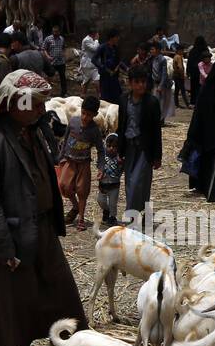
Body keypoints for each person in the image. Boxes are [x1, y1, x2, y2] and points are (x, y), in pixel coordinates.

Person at [0, 70, 86, 346]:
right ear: (12, 102)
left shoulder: (32, 132)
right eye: (33, 103)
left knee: (58, 288)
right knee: (13, 299)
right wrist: (4, 246)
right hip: (11, 232)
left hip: (41, 226)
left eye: (41, 103)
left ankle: (71, 343)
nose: (39, 109)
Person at [180, 55, 215, 202]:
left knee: (206, 161)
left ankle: (202, 187)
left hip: (203, 133)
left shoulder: (206, 89)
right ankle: (212, 193)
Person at [117, 65, 163, 226]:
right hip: (129, 147)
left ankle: (130, 218)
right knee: (131, 183)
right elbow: (121, 126)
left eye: (143, 82)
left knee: (137, 182)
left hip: (145, 148)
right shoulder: (123, 100)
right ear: (130, 83)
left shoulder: (152, 102)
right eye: (137, 82)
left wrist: (157, 156)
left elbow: (156, 130)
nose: (141, 85)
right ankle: (143, 216)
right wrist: (119, 150)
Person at [56, 95, 105, 231]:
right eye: (83, 113)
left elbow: (101, 150)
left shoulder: (94, 130)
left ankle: (81, 219)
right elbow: (65, 140)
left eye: (89, 115)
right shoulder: (73, 122)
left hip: (84, 163)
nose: (85, 117)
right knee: (64, 186)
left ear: (95, 115)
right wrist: (61, 157)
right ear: (81, 110)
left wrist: (101, 167)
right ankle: (75, 206)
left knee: (82, 190)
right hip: (69, 160)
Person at [96, 134, 122, 225]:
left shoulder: (119, 159)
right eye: (109, 146)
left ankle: (112, 217)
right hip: (103, 184)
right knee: (100, 200)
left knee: (113, 203)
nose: (111, 148)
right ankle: (106, 210)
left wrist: (121, 162)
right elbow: (98, 165)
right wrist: (100, 171)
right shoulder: (102, 158)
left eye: (114, 147)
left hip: (114, 185)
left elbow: (122, 169)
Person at [41, 24, 67, 97]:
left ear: (59, 32)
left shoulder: (62, 39)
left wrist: (64, 54)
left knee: (63, 78)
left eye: (56, 32)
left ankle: (64, 93)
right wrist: (48, 56)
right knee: (49, 77)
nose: (55, 33)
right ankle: (48, 93)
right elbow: (44, 49)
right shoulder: (48, 39)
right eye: (54, 32)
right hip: (52, 62)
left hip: (61, 62)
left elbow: (64, 47)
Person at [98, 30, 124, 104]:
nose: (118, 39)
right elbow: (94, 59)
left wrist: (126, 68)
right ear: (112, 38)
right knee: (105, 99)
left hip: (114, 76)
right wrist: (103, 67)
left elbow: (119, 61)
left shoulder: (116, 48)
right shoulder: (102, 47)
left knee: (117, 97)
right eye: (117, 37)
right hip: (105, 77)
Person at [77, 29, 101, 96]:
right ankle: (83, 95)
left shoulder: (92, 40)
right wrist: (97, 40)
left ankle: (99, 95)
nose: (98, 35)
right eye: (97, 34)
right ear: (93, 34)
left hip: (93, 64)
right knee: (86, 81)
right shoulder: (86, 40)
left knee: (97, 80)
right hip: (87, 64)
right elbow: (94, 49)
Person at [187, 36, 210, 104]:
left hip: (194, 72)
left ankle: (193, 101)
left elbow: (189, 62)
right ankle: (201, 101)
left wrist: (188, 71)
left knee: (193, 87)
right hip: (202, 72)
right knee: (201, 87)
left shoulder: (193, 51)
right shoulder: (205, 50)